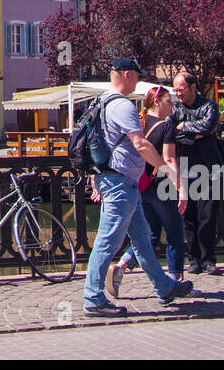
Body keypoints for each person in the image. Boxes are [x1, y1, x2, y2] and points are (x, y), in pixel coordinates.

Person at [82, 56, 193, 317]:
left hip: (117, 180)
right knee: (107, 241)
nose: (138, 83)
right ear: (128, 75)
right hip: (120, 182)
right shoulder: (122, 105)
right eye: (137, 76)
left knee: (142, 238)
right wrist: (170, 174)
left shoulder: (102, 101)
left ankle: (164, 286)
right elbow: (141, 144)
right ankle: (93, 298)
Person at [106, 84, 189, 298]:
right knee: (175, 234)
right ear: (158, 102)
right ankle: (174, 283)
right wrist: (180, 187)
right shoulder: (166, 127)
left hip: (141, 186)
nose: (172, 105)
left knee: (149, 235)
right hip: (162, 185)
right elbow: (169, 159)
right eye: (169, 101)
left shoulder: (140, 124)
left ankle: (120, 267)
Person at [171, 71, 224, 276]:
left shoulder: (208, 106)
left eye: (181, 89)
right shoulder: (176, 109)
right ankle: (193, 260)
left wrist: (185, 126)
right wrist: (195, 133)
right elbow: (172, 131)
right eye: (176, 90)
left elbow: (209, 126)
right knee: (189, 217)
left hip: (209, 169)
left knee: (208, 216)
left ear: (193, 87)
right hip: (184, 170)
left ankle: (208, 260)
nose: (178, 94)